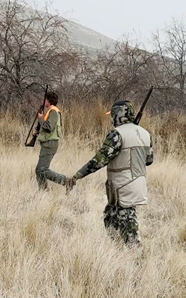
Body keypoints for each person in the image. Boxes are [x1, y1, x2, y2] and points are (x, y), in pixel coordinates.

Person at [65, 100, 154, 247]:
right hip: (138, 183)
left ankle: (135, 253)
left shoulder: (117, 134)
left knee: (127, 220)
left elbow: (99, 160)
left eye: (112, 115)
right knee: (110, 215)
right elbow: (149, 160)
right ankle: (116, 248)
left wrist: (77, 175)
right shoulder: (145, 134)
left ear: (118, 115)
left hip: (123, 184)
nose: (111, 118)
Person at [33, 91, 67, 190]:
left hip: (50, 143)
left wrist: (40, 119)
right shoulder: (51, 111)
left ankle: (66, 181)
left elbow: (49, 127)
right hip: (48, 143)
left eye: (45, 99)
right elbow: (49, 129)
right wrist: (38, 131)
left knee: (41, 169)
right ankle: (44, 191)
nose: (44, 101)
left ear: (49, 100)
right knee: (40, 170)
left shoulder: (53, 112)